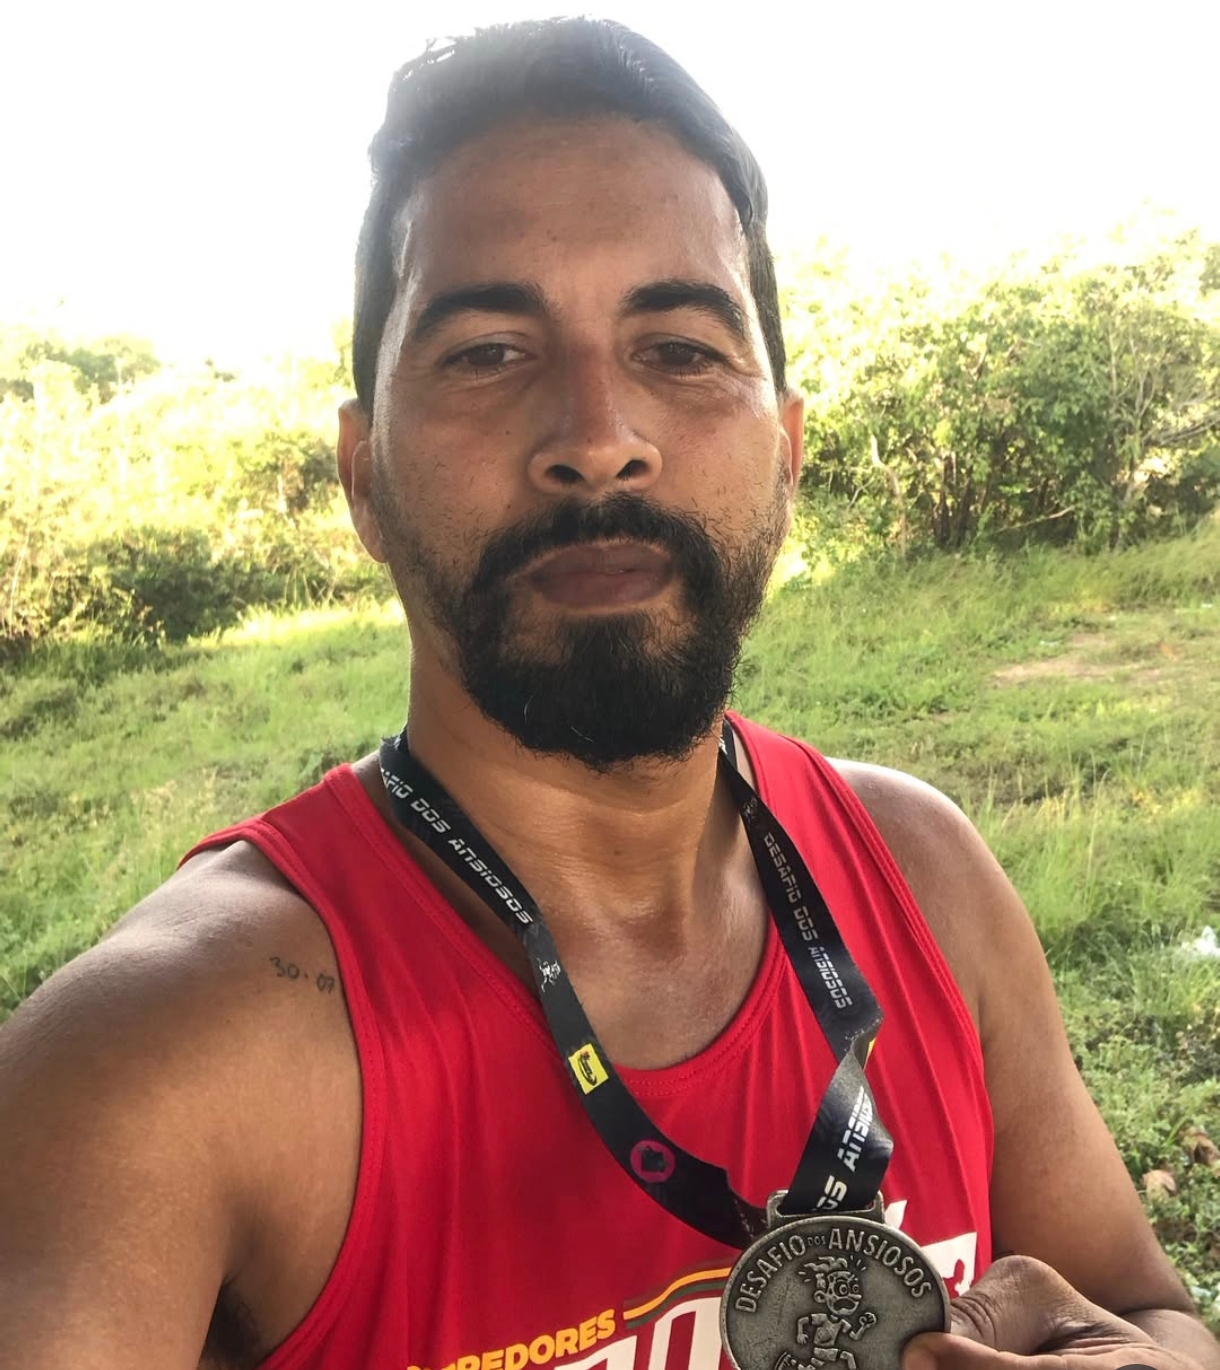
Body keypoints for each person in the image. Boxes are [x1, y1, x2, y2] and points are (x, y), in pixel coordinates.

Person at [0, 18, 1216, 1370]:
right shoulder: (154, 1067)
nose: (597, 440)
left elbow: (1150, 1306)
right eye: (487, 351)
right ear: (363, 479)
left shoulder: (924, 878)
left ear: (788, 456)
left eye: (681, 348)